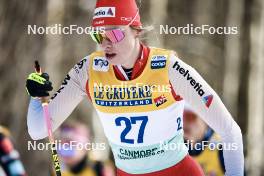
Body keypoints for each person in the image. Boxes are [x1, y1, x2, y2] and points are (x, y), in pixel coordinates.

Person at [26, 0, 244, 175]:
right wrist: (36, 96)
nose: (105, 43)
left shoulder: (168, 68)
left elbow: (230, 131)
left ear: (136, 31)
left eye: (114, 33)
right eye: (98, 35)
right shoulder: (89, 70)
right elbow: (38, 131)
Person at [183, 105, 225, 176]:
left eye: (189, 117)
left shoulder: (223, 147)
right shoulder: (175, 149)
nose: (184, 123)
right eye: (181, 117)